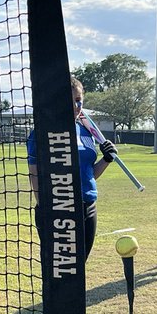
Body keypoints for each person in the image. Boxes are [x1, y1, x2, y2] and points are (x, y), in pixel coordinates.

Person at [27, 77, 116, 259]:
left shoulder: (86, 131)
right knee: (61, 272)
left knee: (80, 266)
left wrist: (106, 159)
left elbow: (89, 174)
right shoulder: (42, 132)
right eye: (70, 101)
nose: (76, 106)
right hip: (59, 208)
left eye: (78, 100)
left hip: (88, 206)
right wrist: (43, 205)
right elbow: (34, 173)